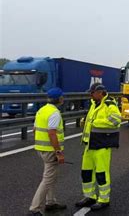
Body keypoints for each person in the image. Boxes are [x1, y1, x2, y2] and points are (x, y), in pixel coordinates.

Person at [75, 83, 121, 211]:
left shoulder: (109, 104)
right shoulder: (94, 104)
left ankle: (104, 199)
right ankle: (89, 196)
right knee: (86, 173)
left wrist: (96, 123)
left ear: (100, 92)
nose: (91, 94)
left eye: (92, 92)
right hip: (89, 145)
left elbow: (116, 120)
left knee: (101, 173)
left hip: (102, 144)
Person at [29, 88, 67, 216]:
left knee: (51, 177)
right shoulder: (55, 113)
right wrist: (58, 152)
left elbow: (34, 129)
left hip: (41, 149)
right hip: (50, 150)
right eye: (62, 97)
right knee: (47, 179)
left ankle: (50, 202)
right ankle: (35, 209)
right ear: (59, 99)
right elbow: (52, 133)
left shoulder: (42, 110)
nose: (63, 99)